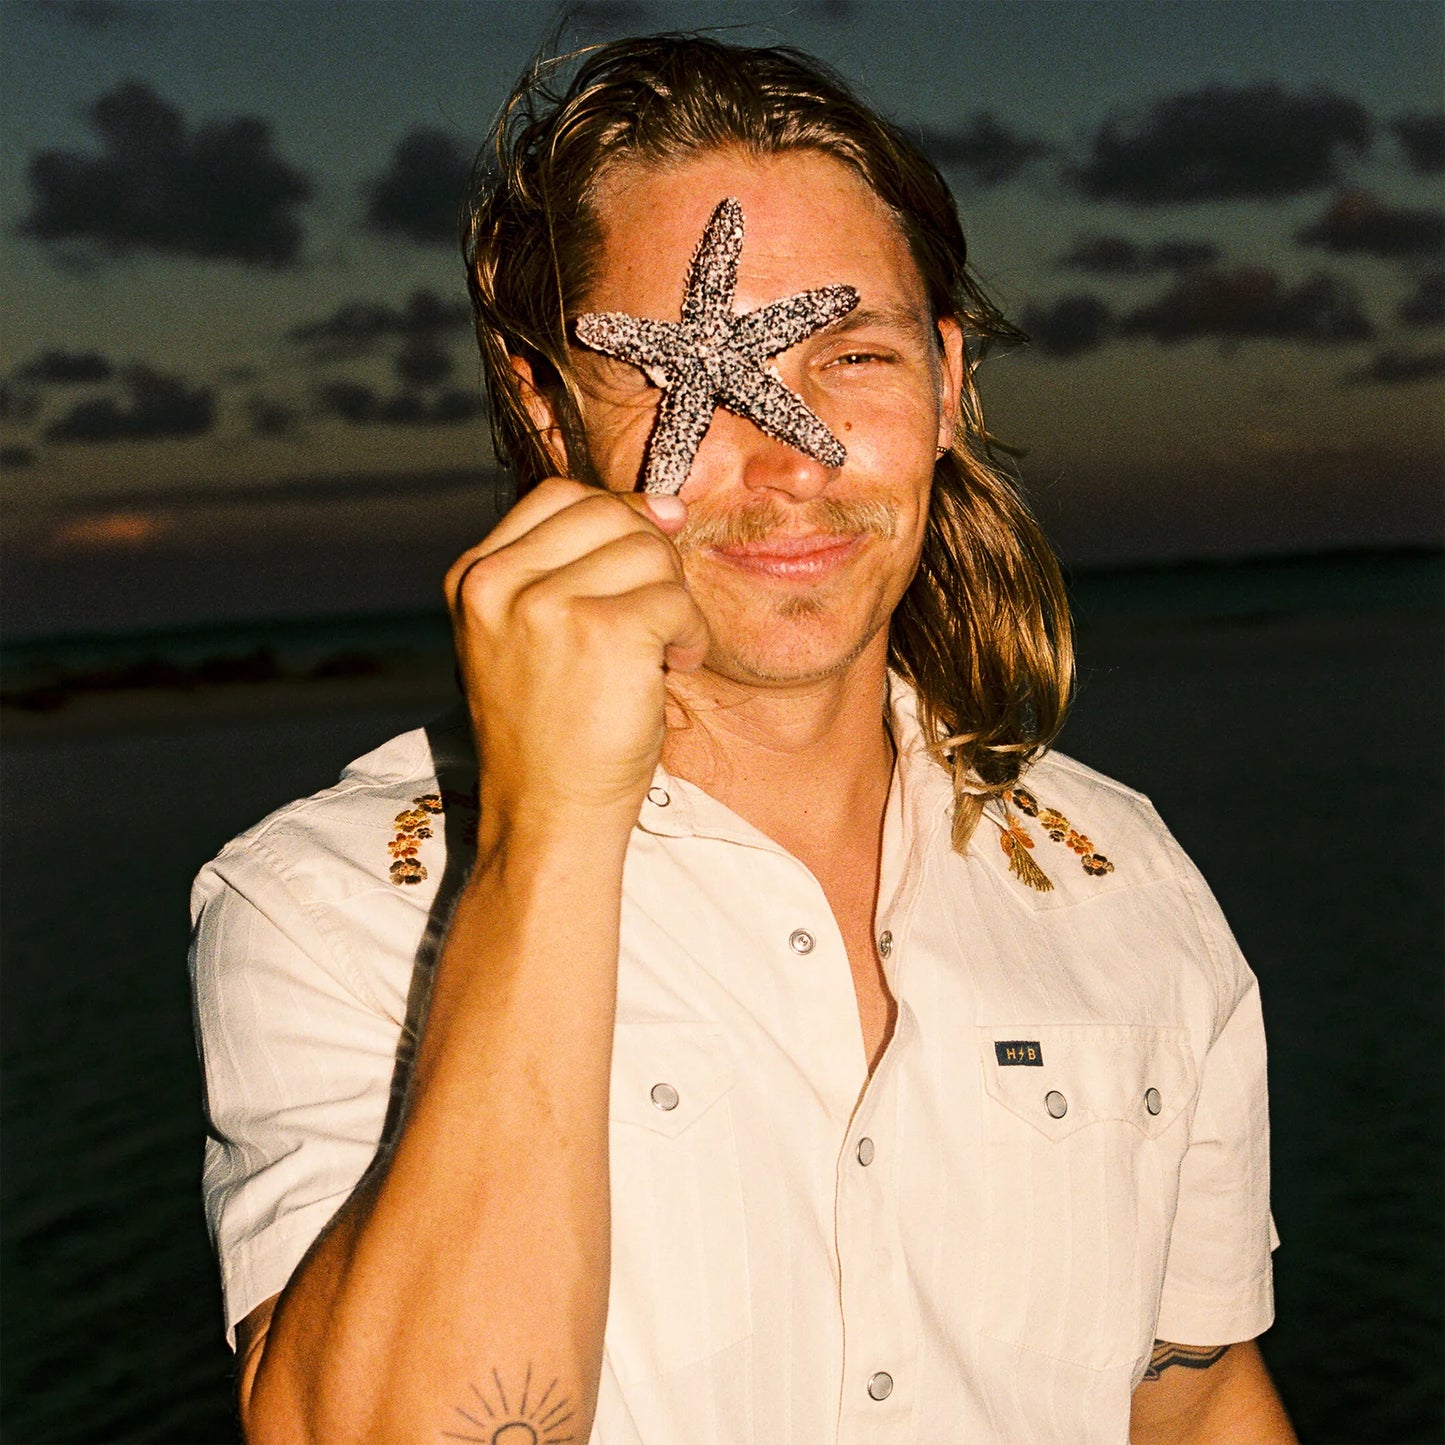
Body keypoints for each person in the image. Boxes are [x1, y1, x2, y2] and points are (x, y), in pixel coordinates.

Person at [189, 35, 1295, 1445]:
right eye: (674, 380)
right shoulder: (337, 903)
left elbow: (1192, 1396)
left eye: (851, 354)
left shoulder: (1119, 876)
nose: (793, 457)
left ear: (947, 385)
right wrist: (552, 832)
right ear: (544, 407)